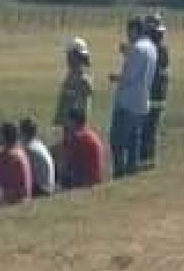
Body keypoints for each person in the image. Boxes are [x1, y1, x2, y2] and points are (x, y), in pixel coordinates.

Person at [109, 18, 158, 177]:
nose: (128, 35)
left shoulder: (137, 49)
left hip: (128, 101)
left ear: (135, 30)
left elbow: (129, 76)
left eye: (129, 31)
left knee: (117, 140)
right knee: (133, 141)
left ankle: (119, 171)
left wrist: (116, 77)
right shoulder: (151, 47)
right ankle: (132, 170)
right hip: (143, 101)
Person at [142, 14, 170, 168]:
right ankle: (147, 159)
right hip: (156, 96)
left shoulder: (156, 50)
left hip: (153, 96)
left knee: (149, 129)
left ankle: (147, 160)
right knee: (150, 129)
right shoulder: (159, 49)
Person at [0, 122, 33, 206]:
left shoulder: (8, 155)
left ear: (3, 137)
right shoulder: (21, 151)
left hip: (14, 199)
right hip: (24, 196)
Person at [54, 36, 94, 129]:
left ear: (77, 56)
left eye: (70, 55)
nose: (67, 58)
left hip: (76, 122)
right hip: (68, 120)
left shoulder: (82, 75)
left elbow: (88, 91)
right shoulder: (71, 73)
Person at [61, 108, 106, 189]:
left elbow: (68, 161)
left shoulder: (78, 137)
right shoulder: (89, 133)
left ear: (74, 121)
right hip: (95, 178)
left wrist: (66, 140)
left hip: (86, 181)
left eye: (68, 121)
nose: (65, 123)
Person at [19, 117, 56, 197]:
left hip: (42, 189)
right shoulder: (39, 144)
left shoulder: (29, 149)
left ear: (23, 132)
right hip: (49, 185)